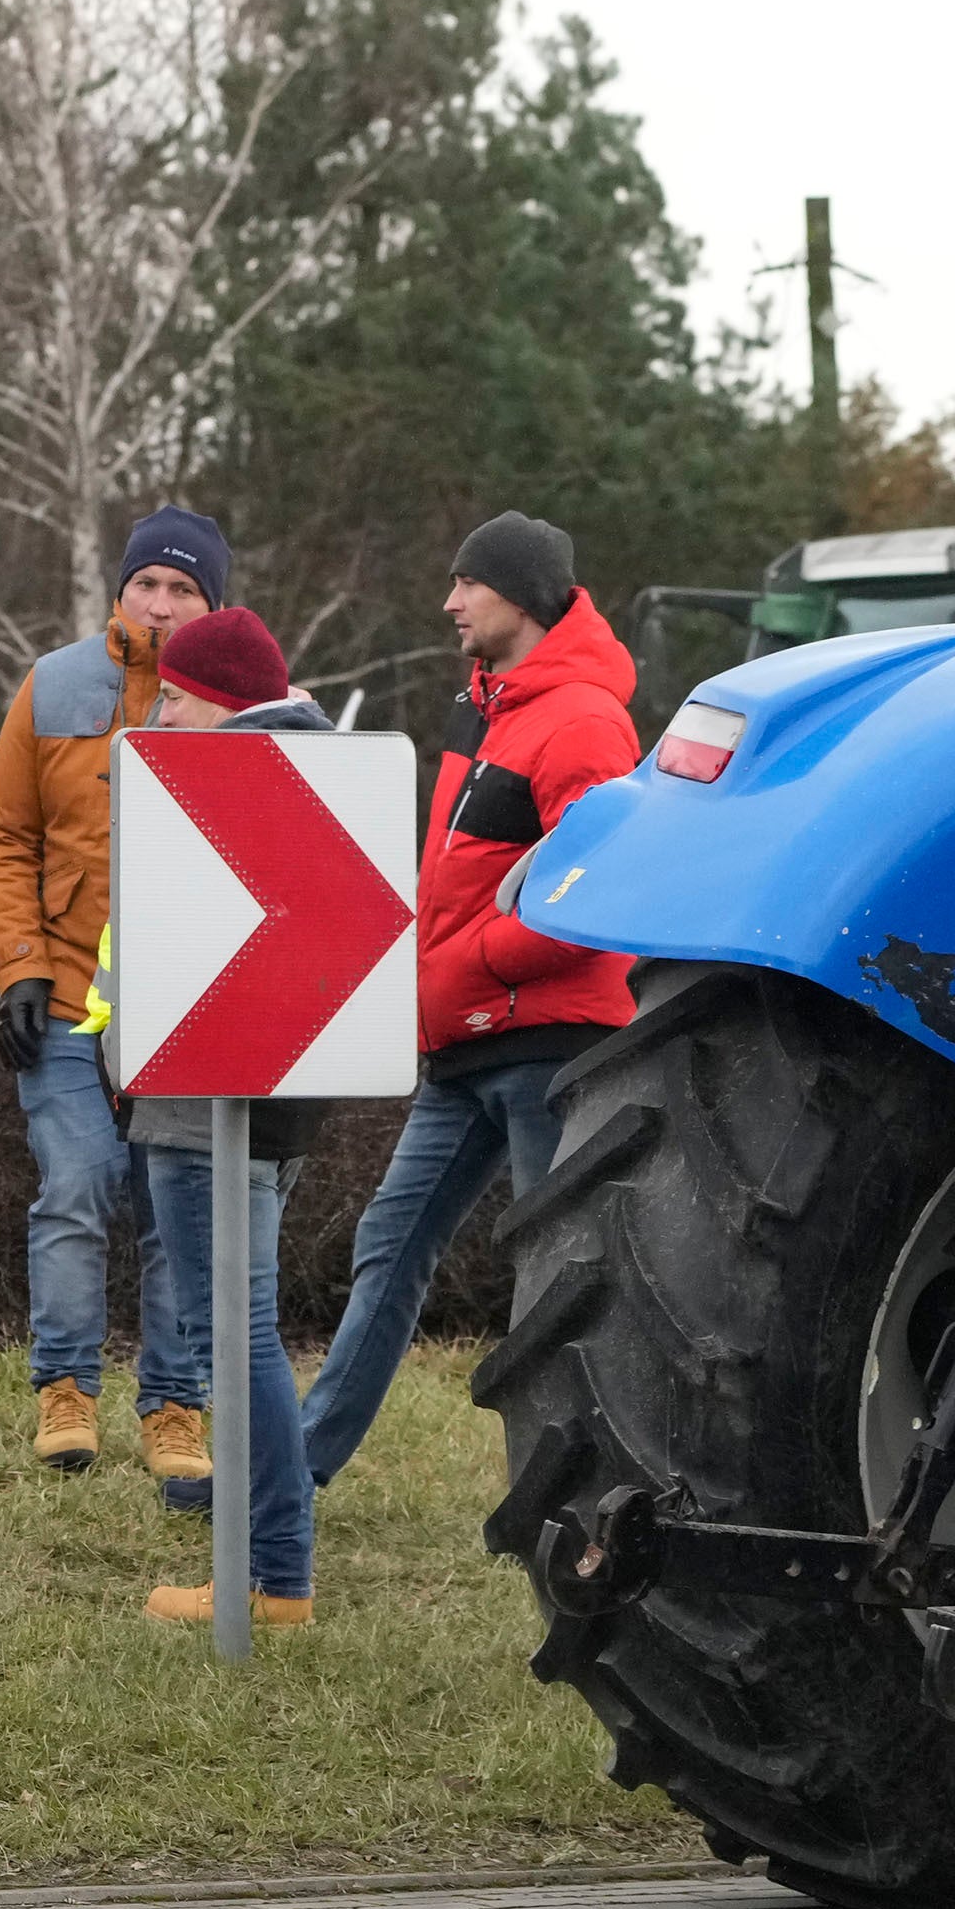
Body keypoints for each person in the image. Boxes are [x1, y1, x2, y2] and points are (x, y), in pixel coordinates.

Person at [295, 512, 638, 1487]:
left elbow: (601, 890)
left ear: (520, 597)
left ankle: (579, 1495)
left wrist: (473, 962)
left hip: (546, 1048)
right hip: (468, 1043)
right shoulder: (491, 710)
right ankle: (292, 1472)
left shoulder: (582, 722)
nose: (449, 601)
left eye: (466, 583)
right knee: (387, 1243)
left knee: (555, 1279)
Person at [73, 608, 332, 1624]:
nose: (162, 709)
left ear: (222, 696)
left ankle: (271, 1574)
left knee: (235, 1334)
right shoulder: (312, 769)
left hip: (203, 1099)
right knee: (243, 1328)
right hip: (273, 1101)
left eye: (176, 692)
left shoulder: (229, 782)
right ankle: (275, 1568)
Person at [0, 505, 229, 1475]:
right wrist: (21, 970)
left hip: (187, 1007)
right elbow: (1, 834)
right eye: (146, 586)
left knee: (176, 1211)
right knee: (79, 1183)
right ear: (120, 590)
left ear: (213, 604)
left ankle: (173, 1405)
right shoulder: (53, 684)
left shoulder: (238, 707)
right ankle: (65, 1390)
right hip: (74, 995)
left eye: (183, 590)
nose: (161, 605)